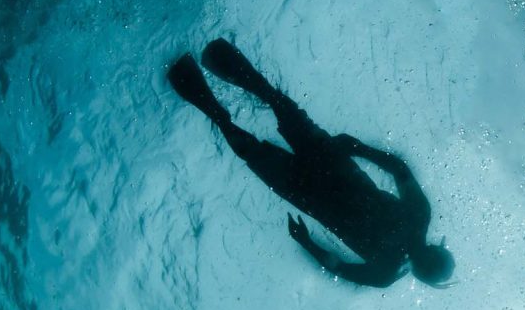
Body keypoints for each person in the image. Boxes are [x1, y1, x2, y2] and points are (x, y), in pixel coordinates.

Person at [166, 38, 454, 288]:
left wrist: (360, 149)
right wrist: (306, 242)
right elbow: (337, 266)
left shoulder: (413, 228)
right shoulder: (398, 252)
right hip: (317, 184)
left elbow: (398, 169)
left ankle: (211, 79)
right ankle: (205, 89)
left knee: (276, 110)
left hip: (325, 174)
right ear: (422, 273)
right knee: (263, 128)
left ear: (436, 252)